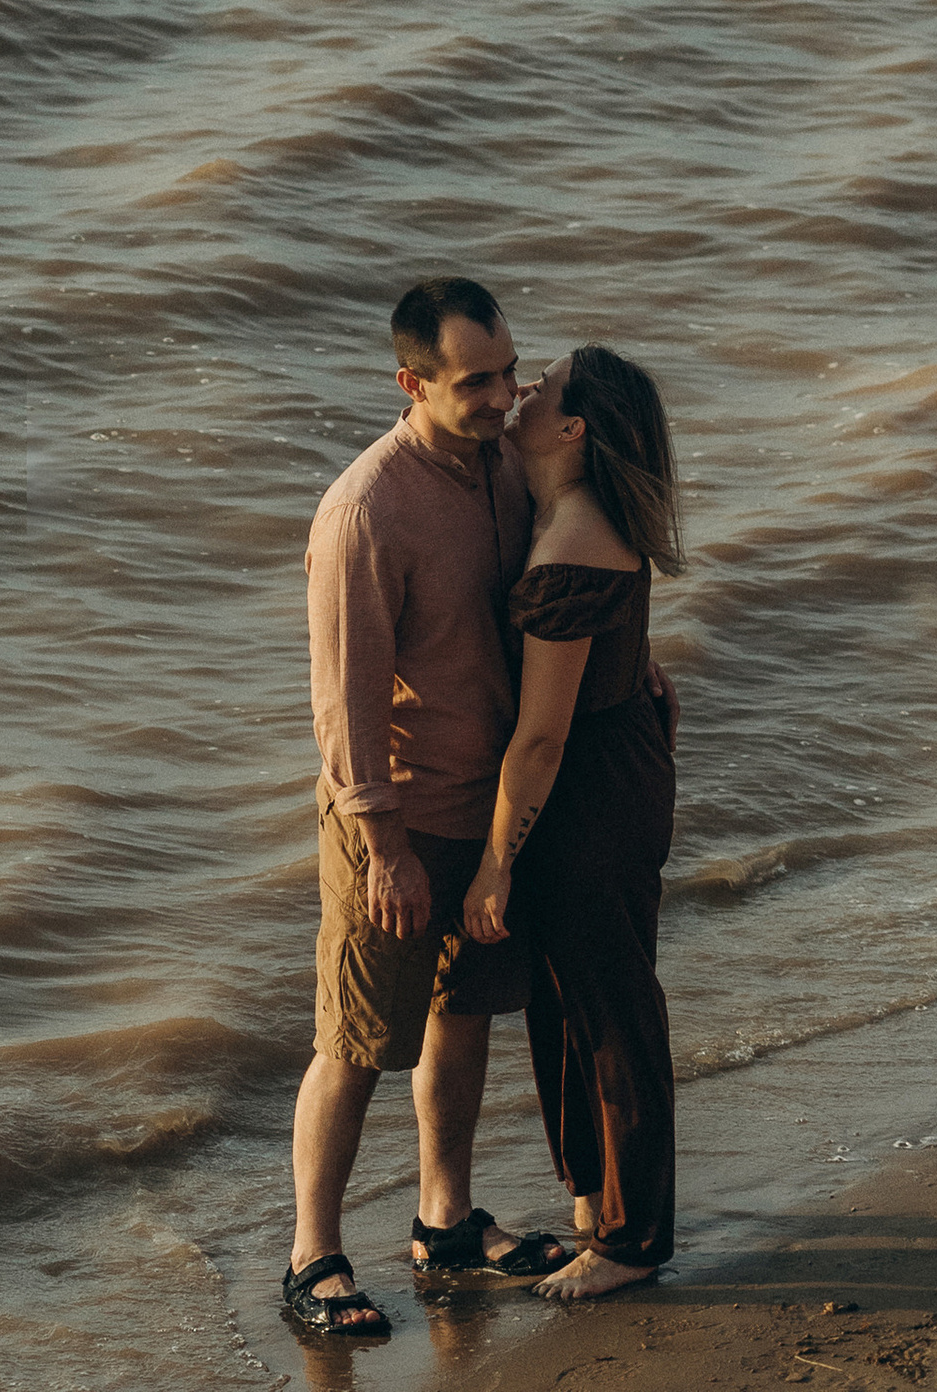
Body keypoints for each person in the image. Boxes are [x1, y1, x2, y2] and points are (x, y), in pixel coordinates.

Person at [282, 278, 579, 1339]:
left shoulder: (504, 459)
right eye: (475, 382)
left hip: (491, 813)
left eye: (509, 372)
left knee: (464, 1014)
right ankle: (313, 1256)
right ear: (411, 384)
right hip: (398, 821)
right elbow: (344, 704)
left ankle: (445, 1222)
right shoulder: (366, 510)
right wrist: (385, 850)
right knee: (357, 1039)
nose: (503, 397)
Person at [461, 345, 685, 1300]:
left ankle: (633, 1242)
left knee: (609, 1013)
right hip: (618, 763)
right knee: (566, 1004)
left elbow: (542, 739)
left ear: (572, 428)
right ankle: (596, 1199)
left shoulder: (569, 546)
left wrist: (494, 864)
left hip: (588, 792)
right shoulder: (575, 509)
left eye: (539, 389)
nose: (519, 395)